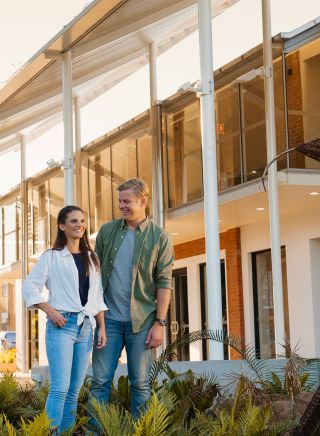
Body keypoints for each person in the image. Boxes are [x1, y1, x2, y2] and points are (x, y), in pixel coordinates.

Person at [90, 178, 174, 419]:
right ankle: (97, 431)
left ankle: (141, 431)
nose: (121, 206)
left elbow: (164, 282)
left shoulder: (159, 237)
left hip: (143, 323)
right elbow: (95, 275)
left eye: (126, 201)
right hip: (109, 322)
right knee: (99, 383)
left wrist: (160, 323)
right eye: (119, 201)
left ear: (143, 201)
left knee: (141, 384)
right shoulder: (107, 231)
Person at [22, 205, 107, 434]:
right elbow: (30, 287)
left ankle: (65, 433)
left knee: (74, 391)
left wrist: (101, 327)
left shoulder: (92, 258)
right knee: (59, 388)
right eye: (73, 221)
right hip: (62, 326)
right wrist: (49, 310)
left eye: (82, 220)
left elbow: (96, 296)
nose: (79, 225)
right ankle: (50, 432)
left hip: (86, 327)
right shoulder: (51, 257)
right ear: (62, 226)